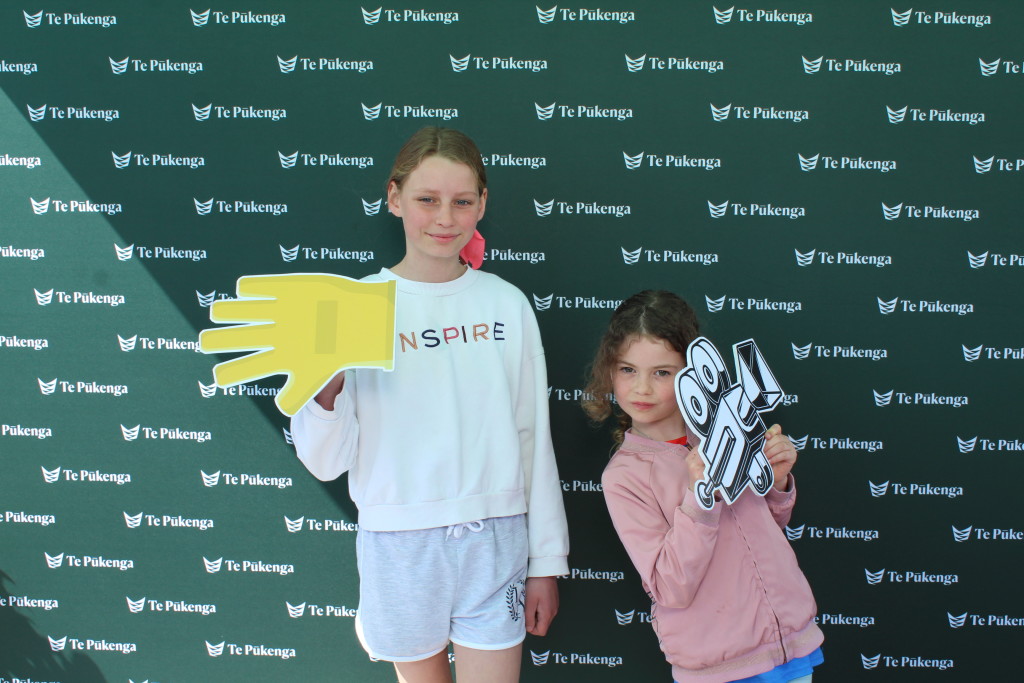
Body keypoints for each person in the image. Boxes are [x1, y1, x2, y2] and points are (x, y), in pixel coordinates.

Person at [290, 127, 569, 683]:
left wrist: (545, 562)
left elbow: (532, 438)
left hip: (496, 540)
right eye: (427, 199)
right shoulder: (353, 307)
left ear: (482, 204)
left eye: (461, 201)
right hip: (398, 547)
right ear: (394, 198)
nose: (445, 218)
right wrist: (329, 378)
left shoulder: (506, 304)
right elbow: (323, 461)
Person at [582, 290, 824, 683]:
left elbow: (767, 528)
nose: (642, 388)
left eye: (662, 372)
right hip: (719, 665)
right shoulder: (624, 477)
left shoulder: (728, 428)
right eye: (628, 369)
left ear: (693, 373)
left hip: (790, 645)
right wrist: (701, 498)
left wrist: (777, 481)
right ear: (608, 369)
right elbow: (671, 586)